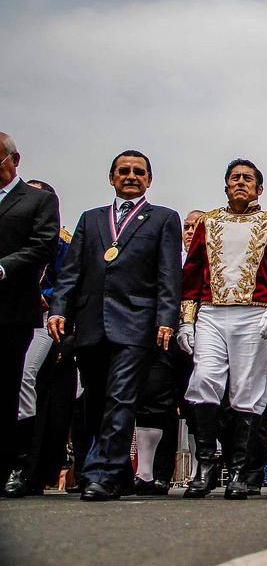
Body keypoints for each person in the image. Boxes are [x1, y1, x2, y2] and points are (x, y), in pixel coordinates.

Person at [47, 149, 182, 501]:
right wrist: (59, 309)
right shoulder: (90, 219)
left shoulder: (163, 218)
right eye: (124, 171)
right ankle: (118, 472)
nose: (131, 176)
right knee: (95, 402)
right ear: (112, 178)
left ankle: (101, 475)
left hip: (137, 322)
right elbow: (71, 271)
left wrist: (166, 319)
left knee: (121, 397)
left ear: (149, 179)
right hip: (91, 322)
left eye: (139, 171)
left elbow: (169, 274)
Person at [178, 158, 267, 499]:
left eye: (248, 178)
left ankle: (239, 471)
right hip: (211, 312)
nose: (241, 182)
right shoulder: (208, 222)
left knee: (247, 389)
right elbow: (192, 272)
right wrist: (187, 319)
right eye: (235, 177)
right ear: (226, 186)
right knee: (204, 378)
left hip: (253, 314)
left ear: (259, 188)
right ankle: (205, 466)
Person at [0, 136, 60, 496]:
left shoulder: (39, 201)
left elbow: (43, 246)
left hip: (14, 309)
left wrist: (4, 267)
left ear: (14, 159)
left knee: (12, 385)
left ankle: (14, 463)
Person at [130, 208, 204, 496]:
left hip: (202, 340)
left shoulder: (213, 262)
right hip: (164, 339)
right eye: (187, 226)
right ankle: (148, 473)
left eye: (196, 226)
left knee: (198, 405)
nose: (190, 231)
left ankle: (198, 472)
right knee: (154, 400)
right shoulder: (167, 260)